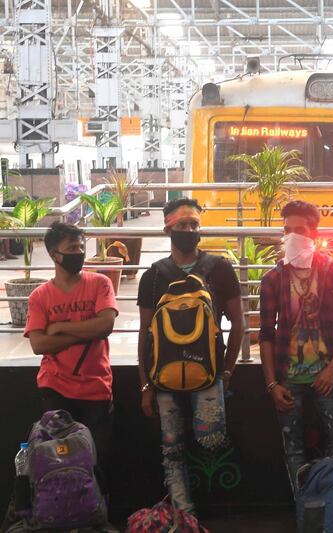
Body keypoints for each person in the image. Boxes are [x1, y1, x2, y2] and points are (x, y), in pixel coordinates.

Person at [137, 197, 244, 514]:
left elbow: (238, 321)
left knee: (212, 441)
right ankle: (186, 515)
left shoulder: (221, 268)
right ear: (167, 228)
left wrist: (227, 372)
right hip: (164, 378)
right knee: (172, 447)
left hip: (210, 375)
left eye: (194, 225)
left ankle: (215, 511)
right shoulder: (152, 276)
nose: (189, 230)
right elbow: (144, 332)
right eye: (182, 225)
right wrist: (145, 385)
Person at [260, 200, 333, 493]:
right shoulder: (273, 279)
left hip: (329, 377)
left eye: (299, 230)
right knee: (293, 450)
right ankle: (307, 510)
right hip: (288, 379)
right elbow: (265, 334)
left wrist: (332, 368)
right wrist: (272, 384)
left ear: (313, 233)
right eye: (286, 230)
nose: (291, 236)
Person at [24, 222, 118, 469]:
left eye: (81, 246)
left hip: (96, 387)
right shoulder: (40, 296)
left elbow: (105, 325)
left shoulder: (100, 284)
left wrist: (61, 327)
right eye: (72, 247)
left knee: (99, 460)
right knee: (59, 463)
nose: (79, 252)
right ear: (55, 254)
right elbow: (39, 343)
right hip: (56, 388)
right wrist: (88, 331)